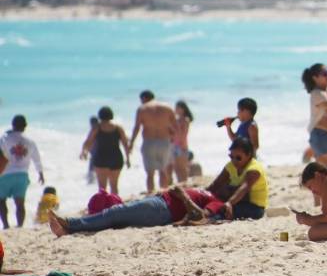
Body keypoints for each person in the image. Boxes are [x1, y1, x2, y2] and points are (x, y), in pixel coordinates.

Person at [47, 186, 223, 237]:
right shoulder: (208, 191)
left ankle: (70, 224)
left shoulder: (216, 201)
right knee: (116, 218)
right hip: (161, 204)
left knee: (115, 213)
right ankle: (69, 229)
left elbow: (203, 216)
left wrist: (184, 197)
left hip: (163, 209)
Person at [207, 137, 268, 220]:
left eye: (238, 158)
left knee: (220, 211)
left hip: (254, 208)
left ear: (248, 155)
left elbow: (244, 188)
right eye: (231, 157)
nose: (234, 161)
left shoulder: (254, 169)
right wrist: (203, 195)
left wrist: (229, 203)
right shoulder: (230, 166)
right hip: (237, 202)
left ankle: (209, 220)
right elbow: (216, 184)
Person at [0, 115, 44, 228]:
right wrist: (40, 173)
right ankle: (20, 226)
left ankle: (6, 225)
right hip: (22, 175)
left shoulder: (4, 138)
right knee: (20, 203)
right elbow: (37, 159)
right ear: (25, 126)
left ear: (12, 125)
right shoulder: (30, 141)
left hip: (5, 174)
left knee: (1, 201)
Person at [129, 90, 177, 192]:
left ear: (144, 98)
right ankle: (164, 194)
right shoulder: (167, 107)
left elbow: (137, 128)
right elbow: (175, 127)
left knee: (150, 173)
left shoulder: (142, 109)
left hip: (149, 141)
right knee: (163, 170)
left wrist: (131, 143)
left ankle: (151, 194)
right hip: (164, 141)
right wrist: (172, 137)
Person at [81, 106, 130, 195]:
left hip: (101, 159)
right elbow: (125, 144)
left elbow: (88, 141)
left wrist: (84, 152)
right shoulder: (118, 128)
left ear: (100, 116)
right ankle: (115, 203)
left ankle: (104, 204)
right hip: (116, 158)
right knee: (114, 186)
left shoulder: (97, 128)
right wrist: (128, 159)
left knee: (102, 188)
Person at [169, 100, 193, 183]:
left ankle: (184, 185)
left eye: (177, 108)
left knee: (182, 169)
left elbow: (183, 134)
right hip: (175, 146)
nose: (175, 110)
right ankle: (181, 185)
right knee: (176, 169)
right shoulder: (176, 120)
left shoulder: (185, 120)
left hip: (182, 146)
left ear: (183, 109)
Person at [85, 116, 99, 184]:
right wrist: (86, 152)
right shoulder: (94, 130)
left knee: (92, 171)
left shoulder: (95, 130)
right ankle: (92, 184)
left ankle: (92, 184)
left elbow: (88, 141)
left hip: (97, 154)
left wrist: (85, 152)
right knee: (91, 171)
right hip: (94, 154)